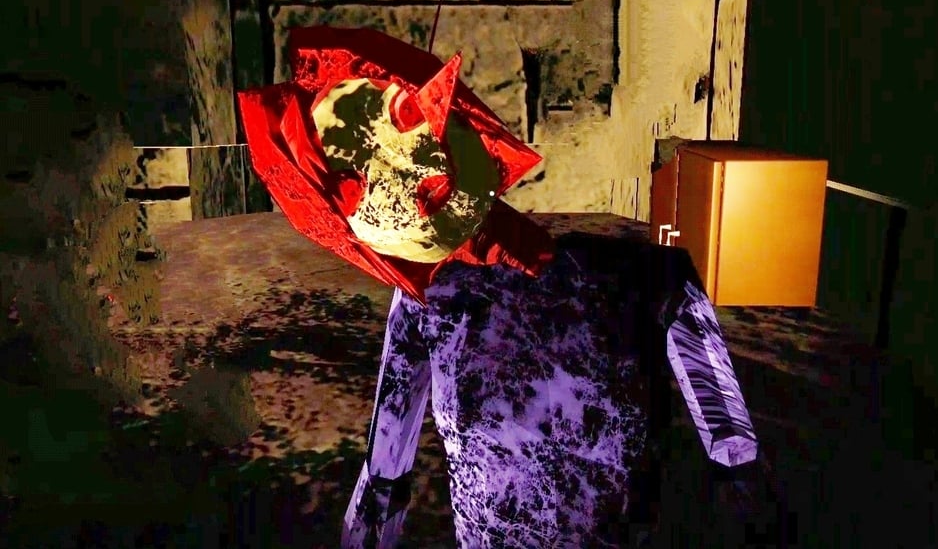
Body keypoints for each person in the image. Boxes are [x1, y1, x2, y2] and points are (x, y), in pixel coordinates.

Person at [237, 27, 762, 548]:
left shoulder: (656, 280)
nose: (408, 173)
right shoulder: (429, 305)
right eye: (358, 173)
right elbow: (383, 478)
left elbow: (737, 462)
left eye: (399, 118)